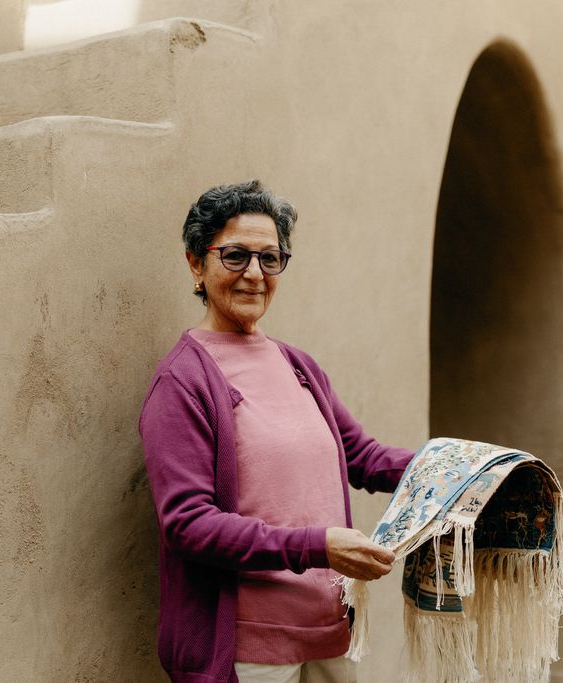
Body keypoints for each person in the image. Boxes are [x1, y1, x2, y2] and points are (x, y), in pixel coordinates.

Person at [139, 180, 414, 683]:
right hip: (248, 651)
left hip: (331, 634)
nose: (254, 274)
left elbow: (364, 457)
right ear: (196, 263)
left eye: (270, 258)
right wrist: (318, 547)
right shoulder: (183, 380)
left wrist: (462, 469)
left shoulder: (297, 365)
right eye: (236, 255)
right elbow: (187, 523)